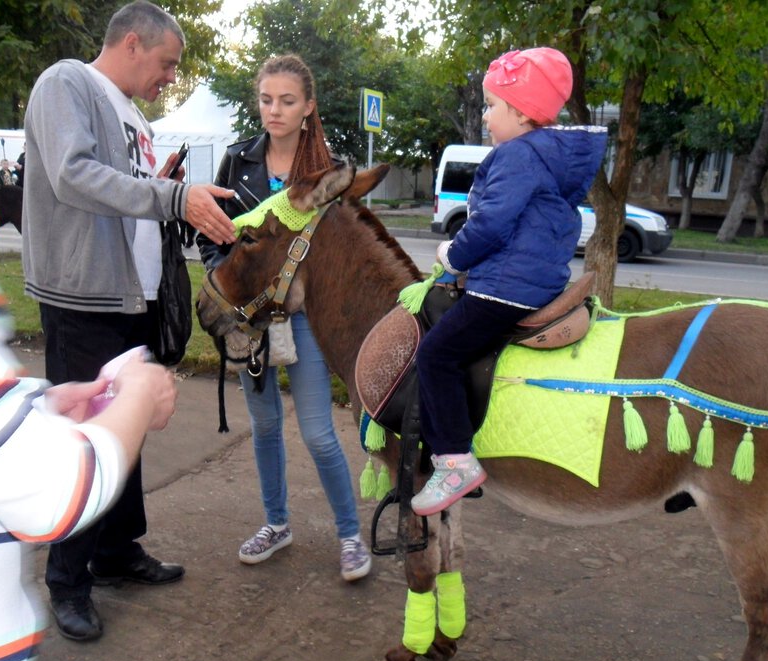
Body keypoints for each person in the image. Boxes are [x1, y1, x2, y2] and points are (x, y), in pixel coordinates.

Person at [22, 0, 237, 642]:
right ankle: (67, 582)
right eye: (167, 64)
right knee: (84, 437)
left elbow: (121, 185)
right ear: (134, 43)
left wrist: (160, 186)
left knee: (128, 431)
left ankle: (116, 553)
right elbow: (72, 174)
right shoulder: (67, 83)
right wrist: (171, 195)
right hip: (83, 297)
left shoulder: (130, 112)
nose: (170, 78)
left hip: (129, 298)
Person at [0, 221, 177, 661]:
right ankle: (70, 582)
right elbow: (55, 494)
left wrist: (40, 407)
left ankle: (111, 557)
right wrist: (142, 397)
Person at [410, 47, 608, 516]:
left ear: (521, 113)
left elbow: (491, 225)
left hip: (503, 288)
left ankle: (455, 461)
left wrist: (453, 258)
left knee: (436, 354)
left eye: (492, 105)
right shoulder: (549, 157)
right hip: (537, 282)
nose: (484, 115)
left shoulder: (516, 156)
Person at [197, 54, 371, 581]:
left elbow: (340, 255)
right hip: (250, 321)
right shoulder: (236, 161)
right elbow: (215, 239)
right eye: (267, 99)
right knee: (266, 425)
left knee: (319, 432)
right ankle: (277, 524)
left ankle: (349, 535)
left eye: (287, 101)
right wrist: (233, 287)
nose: (274, 110)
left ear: (308, 107)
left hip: (302, 319)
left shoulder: (327, 174)